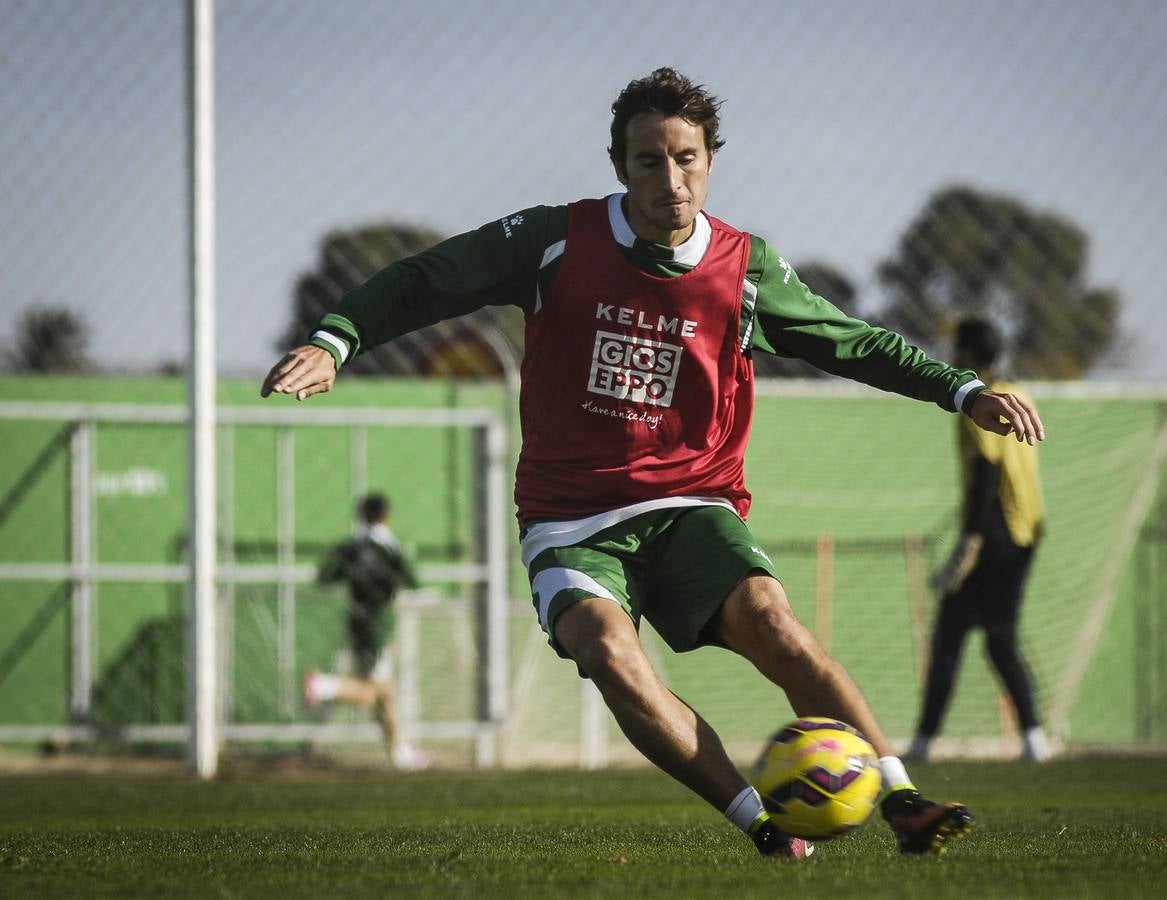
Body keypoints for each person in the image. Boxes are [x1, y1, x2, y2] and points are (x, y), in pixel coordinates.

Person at [262, 67, 1045, 858]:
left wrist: (961, 389)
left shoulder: (745, 268)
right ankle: (762, 824)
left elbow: (852, 341)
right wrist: (337, 341)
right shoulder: (555, 241)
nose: (671, 179)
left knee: (776, 624)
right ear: (619, 167)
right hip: (572, 519)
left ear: (710, 160)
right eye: (650, 162)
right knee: (607, 651)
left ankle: (902, 799)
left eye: (687, 158)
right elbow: (427, 278)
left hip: (692, 502)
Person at [907, 318, 1049, 764]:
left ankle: (924, 744)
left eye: (956, 347)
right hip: (1028, 531)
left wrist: (970, 542)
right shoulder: (1021, 394)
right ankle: (1034, 740)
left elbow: (987, 471)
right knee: (999, 636)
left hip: (994, 532)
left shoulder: (978, 402)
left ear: (968, 354)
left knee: (950, 634)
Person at [304, 492, 429, 771]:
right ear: (387, 516)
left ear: (359, 516)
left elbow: (326, 576)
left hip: (356, 621)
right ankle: (324, 685)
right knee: (374, 691)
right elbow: (413, 580)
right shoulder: (391, 548)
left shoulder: (351, 546)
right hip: (380, 626)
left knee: (385, 692)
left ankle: (400, 753)